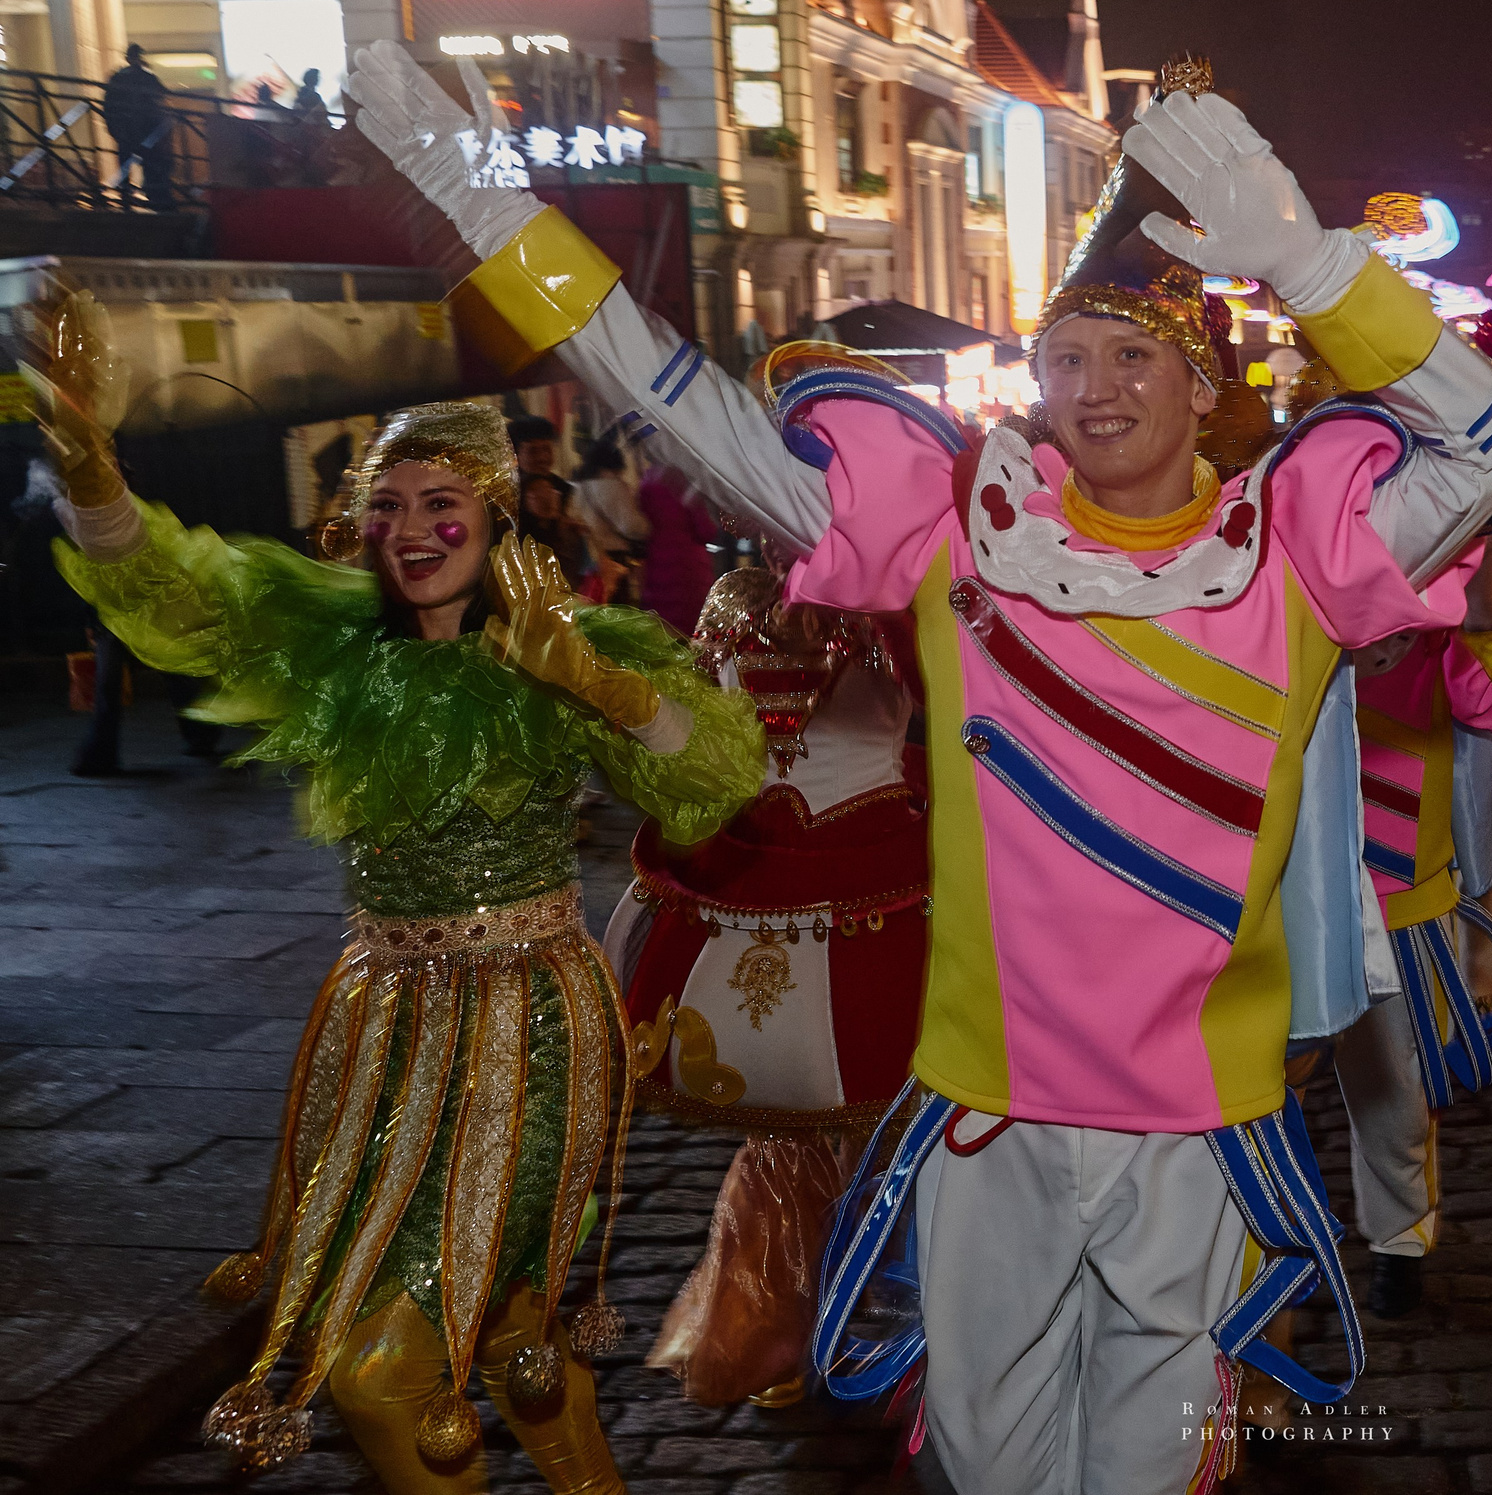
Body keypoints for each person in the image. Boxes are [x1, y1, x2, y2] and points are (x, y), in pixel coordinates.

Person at [350, 42, 1492, 1494]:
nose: (1094, 389)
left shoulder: (1297, 555)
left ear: (1201, 378)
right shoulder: (962, 541)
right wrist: (494, 213)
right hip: (992, 1110)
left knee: (1152, 1465)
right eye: (1066, 358)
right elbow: (683, 404)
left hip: (1199, 1120)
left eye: (1135, 356)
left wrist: (1310, 262)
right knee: (985, 1459)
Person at [35, 296, 762, 1491]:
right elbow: (174, 589)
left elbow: (711, 779)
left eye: (441, 503)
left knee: (381, 1376)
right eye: (386, 504)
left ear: (497, 513)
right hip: (376, 1031)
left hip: (530, 1024)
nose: (412, 528)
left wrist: (598, 682)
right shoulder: (330, 643)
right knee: (521, 1340)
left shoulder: (574, 646)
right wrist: (84, 455)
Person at [603, 569, 928, 1408]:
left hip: (887, 882)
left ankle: (888, 1322)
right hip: (758, 878)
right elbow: (701, 744)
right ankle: (790, 1313)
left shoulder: (898, 585)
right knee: (796, 1117)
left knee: (897, 1123)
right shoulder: (744, 598)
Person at [1336, 542, 1492, 1315]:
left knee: (1397, 1094)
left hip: (1404, 906)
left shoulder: (1442, 639)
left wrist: (1485, 609)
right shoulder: (1282, 605)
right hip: (1271, 904)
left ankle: (1397, 1238)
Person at [635, 465, 719, 635]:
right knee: (691, 626)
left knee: (661, 626)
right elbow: (706, 530)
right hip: (689, 565)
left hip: (657, 562)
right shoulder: (687, 482)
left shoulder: (647, 480)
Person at [570, 436, 648, 604]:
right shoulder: (613, 487)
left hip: (591, 560)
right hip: (615, 563)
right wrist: (648, 525)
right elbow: (631, 526)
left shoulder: (579, 487)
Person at [102, 43, 176, 209]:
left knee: (125, 164)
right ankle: (157, 200)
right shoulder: (147, 77)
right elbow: (161, 98)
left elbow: (109, 105)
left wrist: (115, 128)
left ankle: (126, 198)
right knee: (151, 166)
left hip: (126, 131)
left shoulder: (118, 78)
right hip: (146, 130)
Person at [510, 416, 586, 578]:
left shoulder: (563, 488)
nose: (543, 458)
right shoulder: (505, 492)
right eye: (533, 451)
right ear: (515, 454)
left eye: (547, 449)